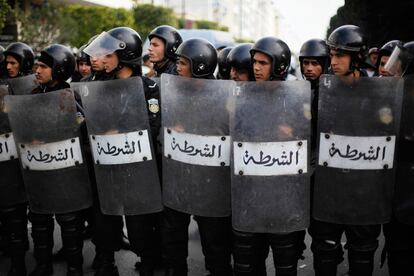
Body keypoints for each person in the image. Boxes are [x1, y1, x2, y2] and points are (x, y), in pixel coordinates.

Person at [84, 26, 161, 276]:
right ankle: (106, 260)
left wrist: (121, 130)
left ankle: (147, 260)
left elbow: (153, 125)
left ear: (124, 55)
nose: (101, 60)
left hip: (138, 170)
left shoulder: (148, 89)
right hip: (106, 167)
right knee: (104, 217)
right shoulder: (98, 88)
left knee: (140, 223)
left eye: (107, 55)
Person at [309, 25, 381, 276]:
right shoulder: (322, 91)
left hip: (363, 190)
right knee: (324, 252)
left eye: (340, 55)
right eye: (331, 55)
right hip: (329, 187)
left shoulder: (378, 94)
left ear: (357, 57)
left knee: (362, 254)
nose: (334, 61)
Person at [231, 36, 307, 276]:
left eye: (263, 63)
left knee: (285, 259)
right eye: (255, 62)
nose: (256, 67)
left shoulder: (296, 97)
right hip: (251, 190)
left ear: (279, 66)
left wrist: (292, 132)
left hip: (283, 194)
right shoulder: (243, 96)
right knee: (250, 260)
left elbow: (307, 141)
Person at [162, 38, 233, 276]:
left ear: (199, 66)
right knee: (174, 229)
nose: (177, 68)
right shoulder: (174, 92)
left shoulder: (225, 97)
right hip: (179, 174)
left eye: (182, 63)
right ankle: (176, 268)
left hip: (211, 181)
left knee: (214, 235)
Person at [30, 44, 86, 276]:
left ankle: (75, 269)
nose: (37, 70)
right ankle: (43, 266)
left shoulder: (70, 97)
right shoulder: (33, 96)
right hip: (40, 169)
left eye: (43, 66)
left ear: (59, 69)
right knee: (40, 221)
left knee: (69, 222)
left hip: (65, 173)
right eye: (36, 66)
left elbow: (81, 130)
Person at [0, 41, 35, 276]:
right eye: (7, 62)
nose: (9, 66)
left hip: (20, 162)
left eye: (14, 62)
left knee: (15, 213)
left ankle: (19, 261)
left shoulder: (31, 88)